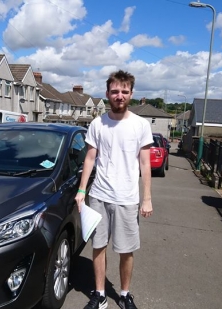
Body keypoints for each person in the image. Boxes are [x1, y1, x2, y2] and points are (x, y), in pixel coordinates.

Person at [75, 70, 153, 309]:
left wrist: (147, 197)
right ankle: (99, 295)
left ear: (131, 94)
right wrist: (81, 191)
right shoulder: (98, 123)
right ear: (107, 93)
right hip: (99, 195)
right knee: (98, 246)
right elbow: (89, 159)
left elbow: (145, 163)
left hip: (127, 198)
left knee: (126, 250)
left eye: (124, 91)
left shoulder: (140, 125)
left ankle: (125, 293)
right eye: (115, 91)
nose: (120, 95)